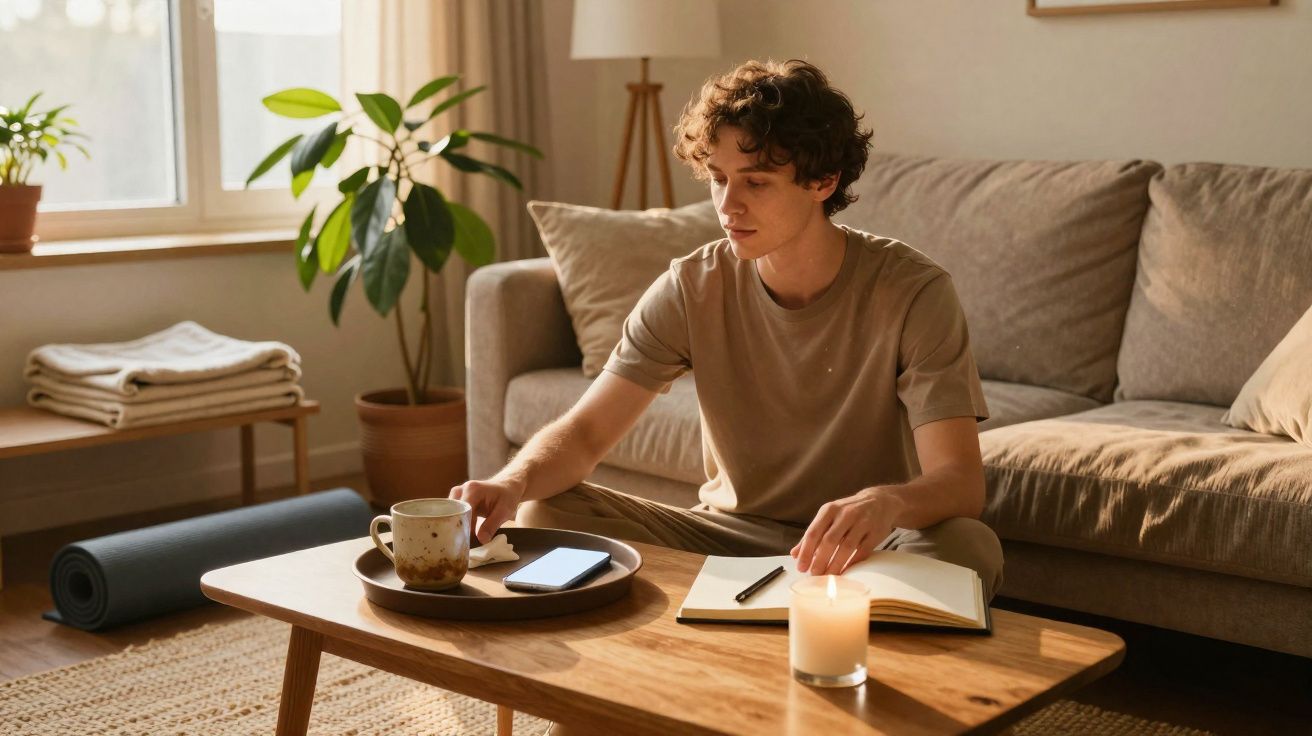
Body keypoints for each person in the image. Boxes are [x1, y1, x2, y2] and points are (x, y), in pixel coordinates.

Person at [451, 58, 1003, 599]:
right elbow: (587, 434)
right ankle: (779, 606)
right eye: (718, 179)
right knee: (547, 509)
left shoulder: (914, 291)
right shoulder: (691, 286)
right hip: (726, 538)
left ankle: (725, 606)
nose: (727, 205)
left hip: (861, 547)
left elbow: (959, 482)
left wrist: (887, 502)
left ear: (824, 180)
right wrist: (512, 480)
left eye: (755, 183)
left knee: (966, 546)